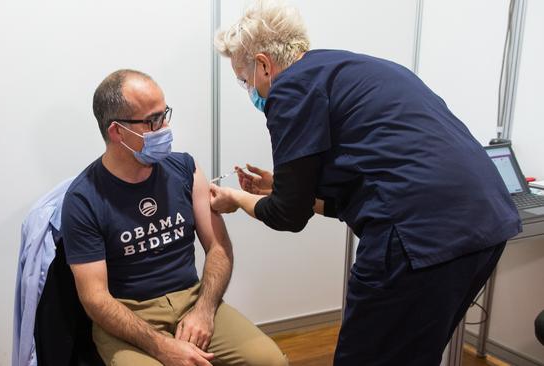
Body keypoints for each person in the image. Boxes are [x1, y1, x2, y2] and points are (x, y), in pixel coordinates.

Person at [210, 1, 521, 365]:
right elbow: (367, 185)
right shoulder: (352, 68)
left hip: (419, 237)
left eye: (244, 79)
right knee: (411, 355)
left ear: (263, 64)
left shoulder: (291, 87)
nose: (248, 88)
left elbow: (288, 215)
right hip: (485, 222)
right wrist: (284, 187)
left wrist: (236, 198)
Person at [60, 69, 287, 366]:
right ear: (117, 132)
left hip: (192, 299)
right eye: (152, 121)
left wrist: (204, 310)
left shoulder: (184, 169)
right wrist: (160, 346)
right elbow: (96, 298)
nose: (165, 127)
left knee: (270, 361)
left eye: (164, 114)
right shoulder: (83, 199)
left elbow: (219, 248)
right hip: (128, 317)